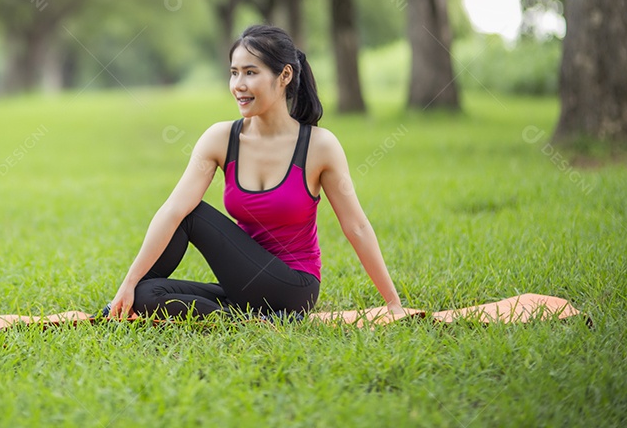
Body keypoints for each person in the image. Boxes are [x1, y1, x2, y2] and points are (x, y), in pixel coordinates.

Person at [106, 24, 404, 322]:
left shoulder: (319, 146)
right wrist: (130, 283)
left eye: (251, 72)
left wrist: (392, 301)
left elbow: (357, 227)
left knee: (190, 213)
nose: (238, 84)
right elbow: (171, 209)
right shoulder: (221, 138)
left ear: (285, 76)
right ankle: (251, 320)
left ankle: (269, 315)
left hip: (293, 286)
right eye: (234, 72)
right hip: (243, 284)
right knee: (147, 295)